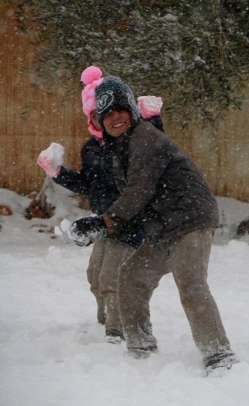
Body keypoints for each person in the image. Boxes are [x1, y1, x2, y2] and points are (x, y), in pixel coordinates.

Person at [69, 75, 236, 371]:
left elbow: (139, 191)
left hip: (191, 219)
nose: (115, 118)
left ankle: (219, 355)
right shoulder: (118, 151)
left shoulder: (145, 138)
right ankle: (141, 349)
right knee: (131, 278)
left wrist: (102, 222)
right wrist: (106, 224)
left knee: (190, 282)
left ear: (132, 111)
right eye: (107, 114)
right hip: (163, 227)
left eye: (120, 109)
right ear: (100, 121)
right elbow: (135, 202)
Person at [37, 66, 164, 341]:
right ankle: (105, 316)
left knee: (113, 277)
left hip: (132, 220)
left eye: (106, 112)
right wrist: (57, 172)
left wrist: (153, 119)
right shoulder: (91, 149)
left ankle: (116, 332)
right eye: (95, 114)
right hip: (104, 220)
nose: (103, 119)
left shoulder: (129, 139)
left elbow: (154, 152)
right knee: (95, 275)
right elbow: (88, 183)